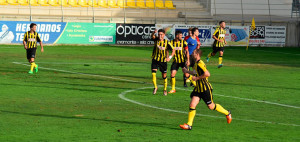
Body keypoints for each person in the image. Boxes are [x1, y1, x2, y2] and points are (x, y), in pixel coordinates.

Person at [179, 49, 232, 130]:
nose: (192, 54)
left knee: (211, 106)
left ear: (197, 55)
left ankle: (227, 113)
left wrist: (197, 78)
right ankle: (189, 125)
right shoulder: (196, 63)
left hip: (205, 88)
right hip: (198, 89)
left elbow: (207, 74)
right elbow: (195, 72)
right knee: (192, 105)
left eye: (193, 53)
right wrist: (187, 71)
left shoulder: (200, 63)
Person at [151, 29, 175, 96]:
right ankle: (155, 87)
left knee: (164, 76)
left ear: (164, 35)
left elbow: (173, 50)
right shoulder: (156, 40)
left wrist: (169, 57)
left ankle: (165, 89)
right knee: (153, 73)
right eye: (159, 34)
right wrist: (153, 32)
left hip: (163, 61)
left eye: (161, 34)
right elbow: (152, 36)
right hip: (155, 59)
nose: (160, 36)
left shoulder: (167, 42)